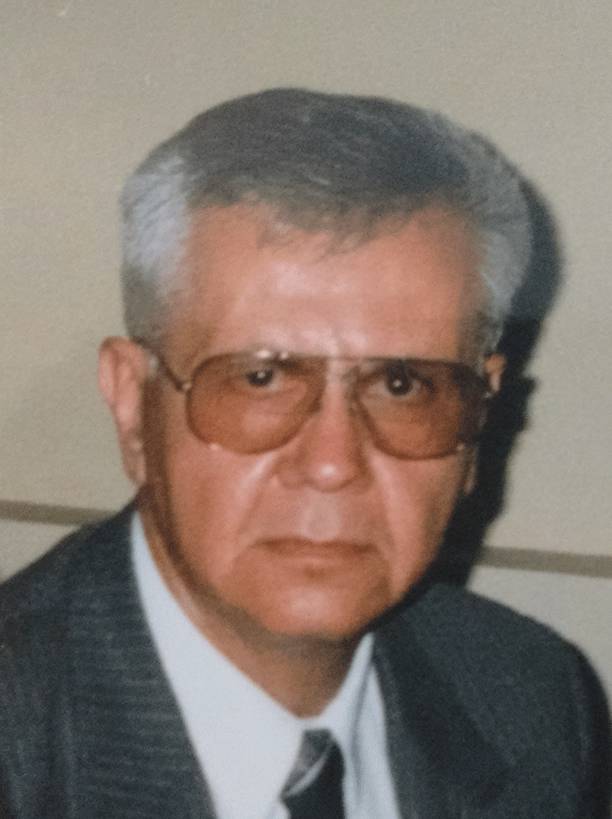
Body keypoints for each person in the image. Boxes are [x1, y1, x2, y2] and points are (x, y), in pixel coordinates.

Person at [0, 88, 608, 819]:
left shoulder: (529, 698)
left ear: (480, 416)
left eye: (402, 384)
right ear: (133, 407)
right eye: (260, 378)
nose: (331, 464)